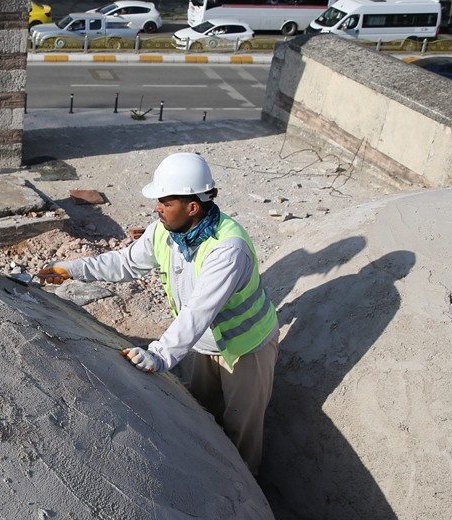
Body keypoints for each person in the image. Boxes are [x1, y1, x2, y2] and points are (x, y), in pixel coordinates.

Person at [36, 153, 279, 475]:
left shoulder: (227, 249)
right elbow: (125, 262)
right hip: (204, 344)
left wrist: (161, 355)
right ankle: (210, 473)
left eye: (165, 201)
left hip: (245, 348)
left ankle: (247, 493)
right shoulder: (166, 231)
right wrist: (71, 269)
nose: (156, 207)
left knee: (241, 428)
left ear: (192, 207)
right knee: (204, 413)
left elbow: (200, 309)